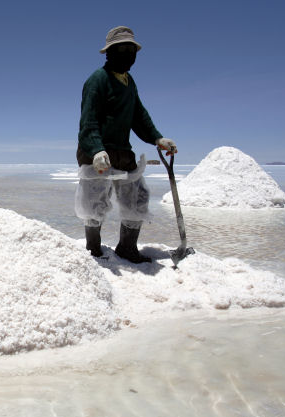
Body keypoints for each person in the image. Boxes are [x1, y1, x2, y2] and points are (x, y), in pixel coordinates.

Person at [75, 26, 177, 263]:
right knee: (94, 203)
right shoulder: (97, 80)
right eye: (122, 49)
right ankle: (93, 250)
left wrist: (157, 138)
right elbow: (88, 121)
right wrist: (96, 149)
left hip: (121, 152)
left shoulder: (129, 83)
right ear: (109, 52)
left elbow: (139, 116)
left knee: (138, 197)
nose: (128, 54)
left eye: (131, 50)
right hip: (97, 152)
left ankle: (127, 248)